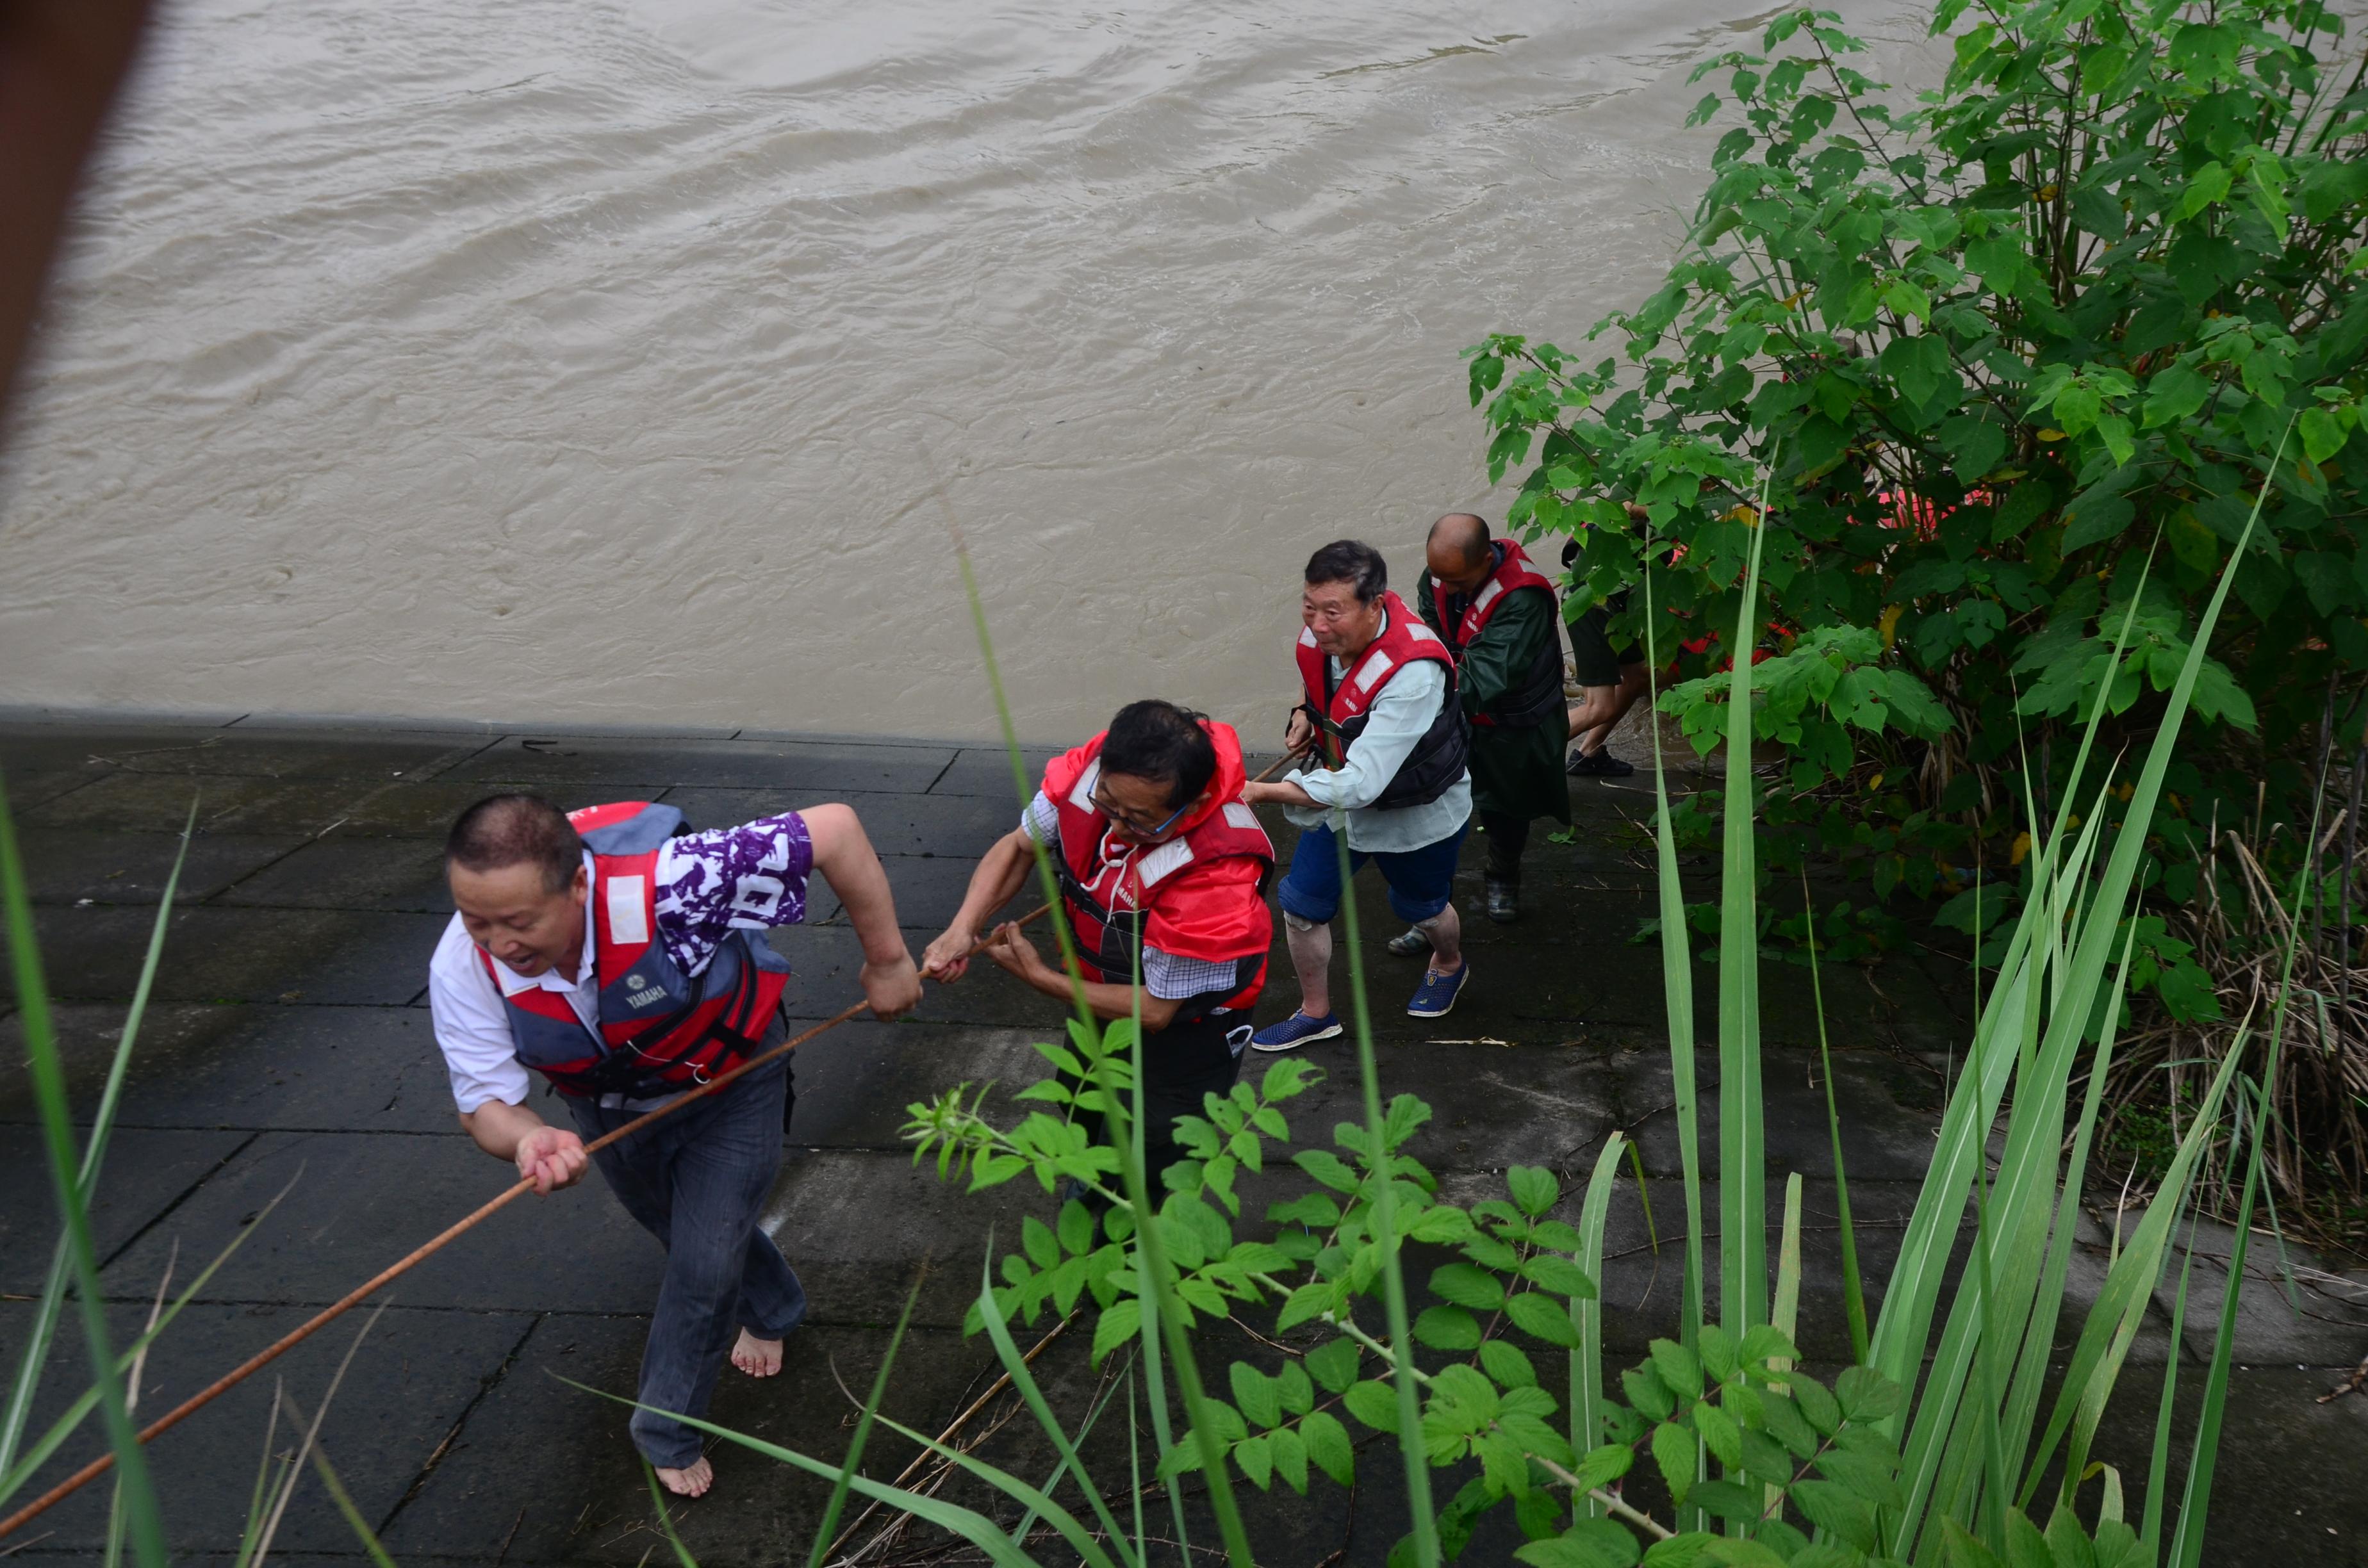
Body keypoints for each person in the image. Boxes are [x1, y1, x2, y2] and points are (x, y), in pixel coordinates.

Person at [427, 794, 921, 1499]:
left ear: (578, 885)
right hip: (606, 1106)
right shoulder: (461, 963)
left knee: (703, 1258)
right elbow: (482, 1104)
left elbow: (836, 829)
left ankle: (666, 1426)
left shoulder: (672, 882)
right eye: (477, 920)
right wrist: (529, 1139)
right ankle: (775, 1305)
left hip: (733, 1075)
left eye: (519, 922)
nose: (499, 944)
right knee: (681, 1229)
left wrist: (888, 960)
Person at [921, 699, 1274, 1195]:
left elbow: (1156, 1011)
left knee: (1158, 1140)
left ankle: (1140, 1232)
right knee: (1080, 1099)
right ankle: (1088, 1180)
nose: (1115, 827)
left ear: (1190, 808)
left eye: (1139, 820)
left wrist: (1041, 979)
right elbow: (1019, 845)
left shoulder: (1218, 877)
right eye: (1108, 805)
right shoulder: (1093, 774)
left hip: (1186, 1025)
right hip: (1099, 990)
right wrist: (964, 927)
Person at [1242, 539, 1473, 1049]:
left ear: (1374, 605)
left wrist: (1263, 792)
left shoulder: (1413, 674)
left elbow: (1364, 782)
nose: (1317, 625)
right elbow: (1321, 681)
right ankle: (1316, 1013)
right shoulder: (1328, 635)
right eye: (1309, 607)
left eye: (1332, 612)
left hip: (1412, 812)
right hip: (1338, 805)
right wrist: (1305, 714)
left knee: (1424, 907)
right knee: (1301, 904)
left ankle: (1450, 961)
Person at [1416, 512, 1569, 922]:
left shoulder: (1523, 598)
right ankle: (1432, 907)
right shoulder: (1437, 577)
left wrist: (1410, 705)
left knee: (1507, 803)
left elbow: (1487, 675)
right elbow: (1425, 639)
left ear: (1485, 560)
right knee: (1433, 802)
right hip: (1454, 705)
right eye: (1440, 578)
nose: (1447, 589)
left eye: (1458, 582)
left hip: (1514, 717)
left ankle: (1503, 875)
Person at [1561, 514, 1654, 778]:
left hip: (1616, 605)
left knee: (1637, 677)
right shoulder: (1638, 505)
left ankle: (1589, 753)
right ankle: (1510, 759)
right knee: (1599, 707)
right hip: (1592, 604)